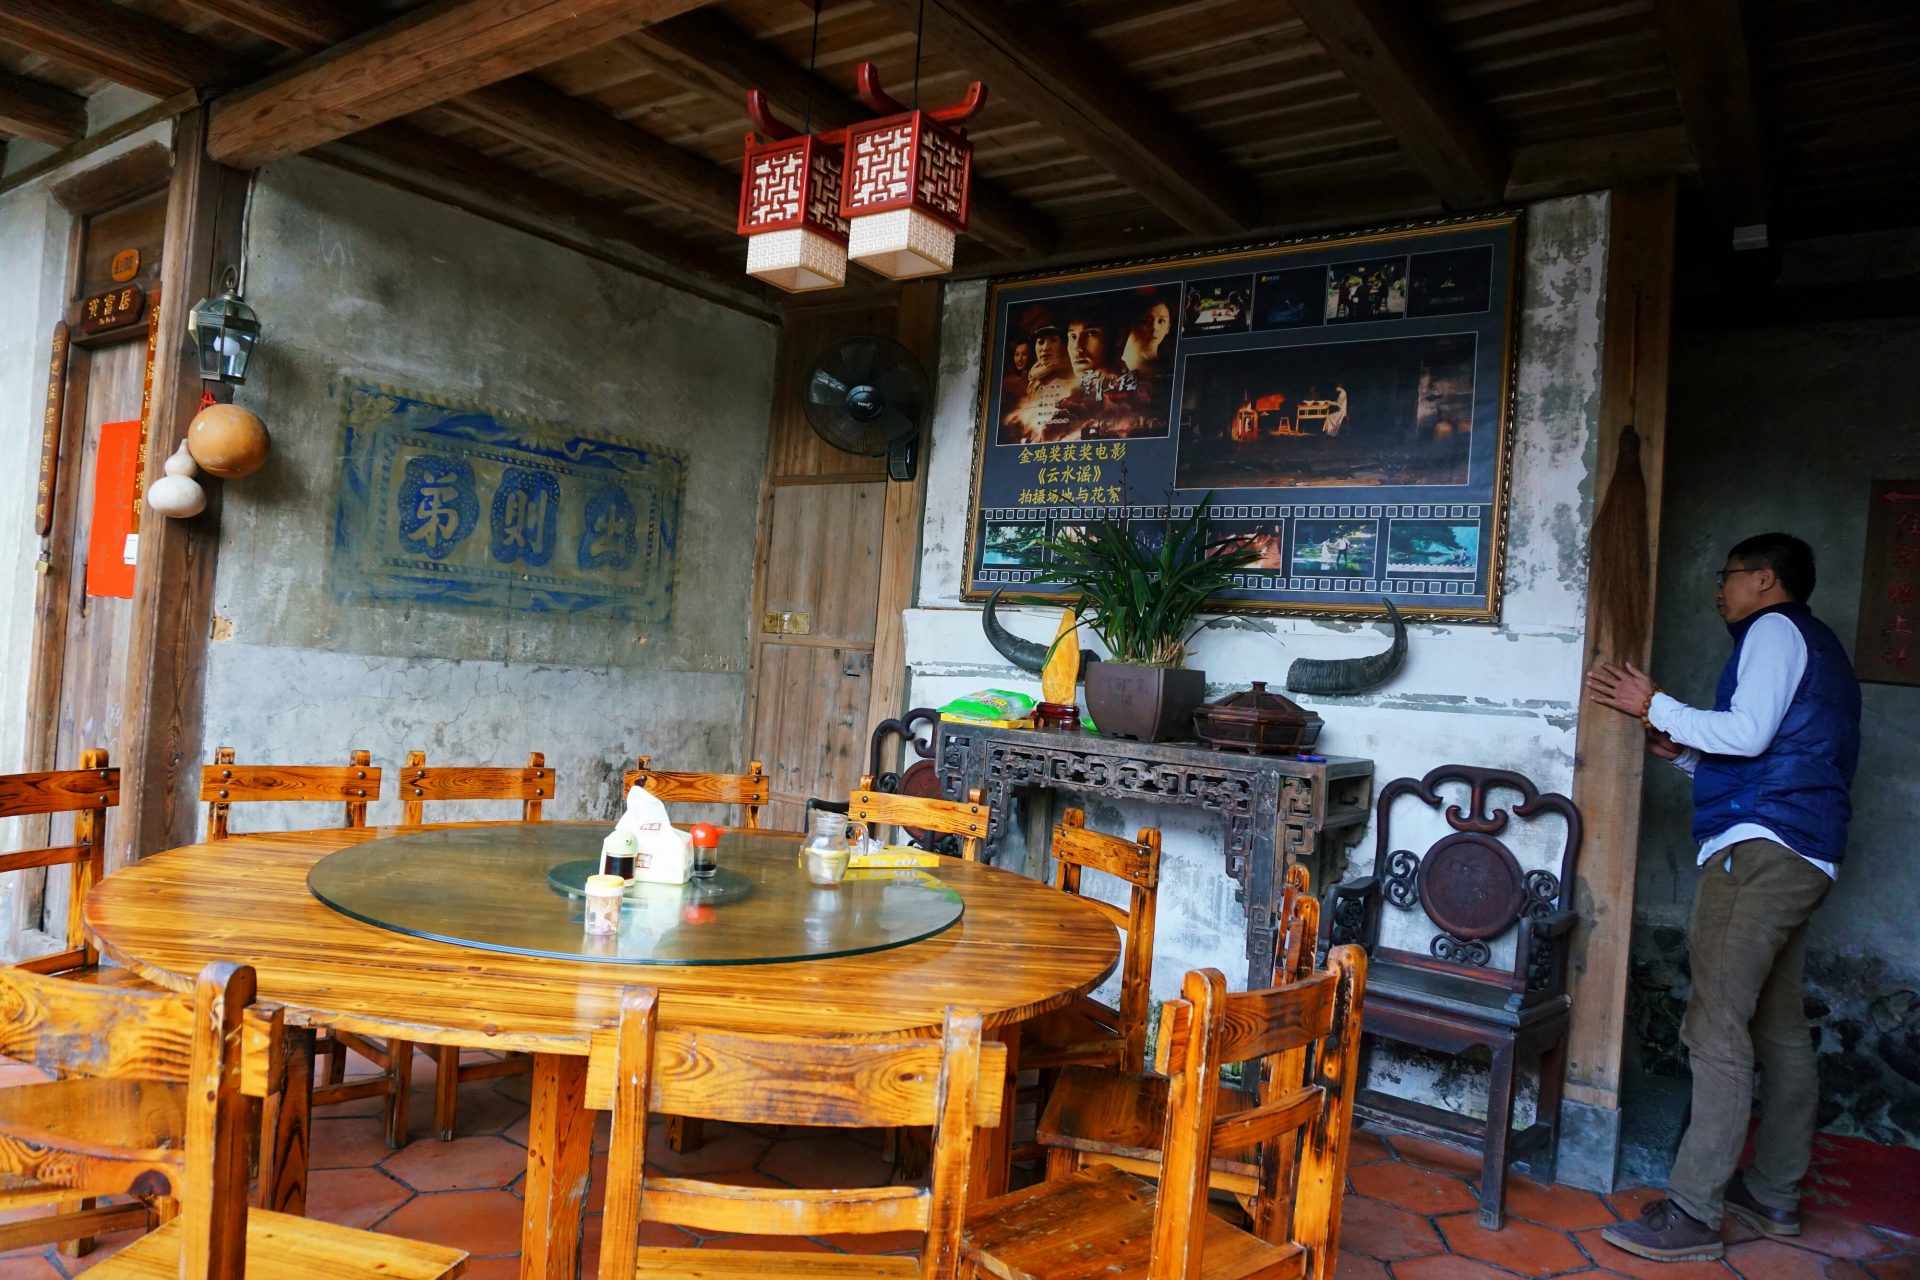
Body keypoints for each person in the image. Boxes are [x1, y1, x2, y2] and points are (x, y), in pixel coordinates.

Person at [1586, 533, 1861, 1263]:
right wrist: (1685, 753)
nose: (1719, 590)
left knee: (1714, 1026)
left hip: (1762, 851)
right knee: (1777, 1025)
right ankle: (1772, 1191)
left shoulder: (1774, 630)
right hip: (1802, 847)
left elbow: (1747, 733)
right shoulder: (1818, 645)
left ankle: (1693, 1211)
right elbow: (1771, 753)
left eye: (1728, 575)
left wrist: (1655, 704)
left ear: (1765, 579)